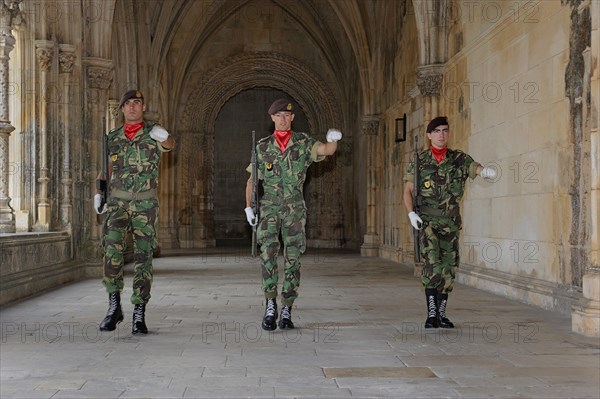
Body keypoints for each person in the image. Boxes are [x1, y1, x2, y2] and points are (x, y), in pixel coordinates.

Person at [244, 98, 342, 331]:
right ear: (272, 118)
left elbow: (326, 150)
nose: (283, 118)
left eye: (287, 115)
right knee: (267, 255)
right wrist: (248, 206)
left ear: (292, 118)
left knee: (293, 258)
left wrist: (332, 140)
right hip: (268, 208)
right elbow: (251, 180)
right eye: (278, 115)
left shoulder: (303, 143)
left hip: (294, 209)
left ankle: (287, 307)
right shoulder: (262, 146)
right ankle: (270, 305)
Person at [93, 89, 175, 335]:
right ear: (121, 109)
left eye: (136, 103)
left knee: (143, 258)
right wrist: (99, 192)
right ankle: (114, 306)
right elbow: (105, 170)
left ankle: (139, 312)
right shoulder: (113, 137)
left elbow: (170, 145)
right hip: (117, 205)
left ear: (143, 106)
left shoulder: (152, 134)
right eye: (127, 104)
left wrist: (165, 136)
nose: (132, 107)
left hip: (145, 205)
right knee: (111, 254)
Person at [403, 116, 496, 329]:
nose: (441, 134)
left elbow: (475, 167)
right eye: (436, 131)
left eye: (445, 130)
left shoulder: (458, 159)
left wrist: (485, 172)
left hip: (451, 223)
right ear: (429, 135)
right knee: (432, 265)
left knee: (448, 267)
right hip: (426, 221)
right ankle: (432, 313)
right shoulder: (419, 161)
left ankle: (442, 314)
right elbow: (407, 191)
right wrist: (411, 214)